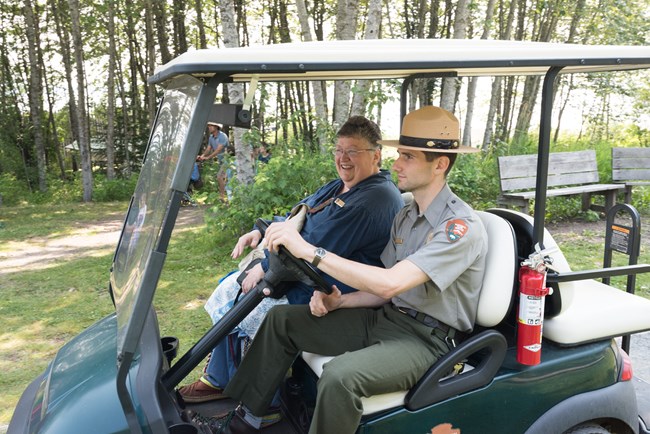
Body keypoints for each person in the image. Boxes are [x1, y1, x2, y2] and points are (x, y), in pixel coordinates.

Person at [221, 106, 488, 434]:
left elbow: (390, 284)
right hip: (386, 319)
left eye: (407, 157)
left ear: (440, 164)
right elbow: (381, 292)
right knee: (282, 321)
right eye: (399, 154)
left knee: (340, 376)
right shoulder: (406, 215)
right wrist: (339, 302)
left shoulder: (459, 227)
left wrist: (309, 251)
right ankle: (248, 418)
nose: (395, 164)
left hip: (426, 340)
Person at [178, 116, 404, 412]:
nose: (342, 158)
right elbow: (300, 214)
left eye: (352, 151)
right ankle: (220, 379)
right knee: (231, 288)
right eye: (338, 150)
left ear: (376, 155)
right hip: (303, 274)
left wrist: (265, 265)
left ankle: (266, 406)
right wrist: (262, 231)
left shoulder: (375, 199)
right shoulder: (339, 187)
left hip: (330, 288)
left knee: (253, 302)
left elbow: (317, 246)